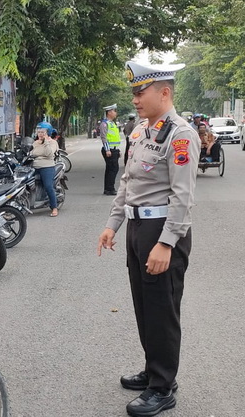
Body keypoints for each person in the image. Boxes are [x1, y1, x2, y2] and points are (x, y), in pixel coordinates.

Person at [97, 61, 200, 417]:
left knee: (162, 310)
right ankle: (153, 367)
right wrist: (113, 223)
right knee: (144, 306)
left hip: (162, 232)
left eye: (141, 92)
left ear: (165, 92)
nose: (135, 99)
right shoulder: (142, 131)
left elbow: (183, 197)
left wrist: (167, 243)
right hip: (138, 229)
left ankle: (163, 387)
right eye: (134, 93)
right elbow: (128, 182)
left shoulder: (181, 135)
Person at [32, 122, 59, 217]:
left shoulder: (53, 143)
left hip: (47, 167)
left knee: (48, 186)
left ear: (48, 132)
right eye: (39, 132)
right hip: (35, 166)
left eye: (43, 132)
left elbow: (49, 153)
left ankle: (54, 207)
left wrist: (46, 142)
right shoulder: (35, 143)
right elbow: (33, 153)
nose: (40, 134)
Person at [100, 104, 122, 195]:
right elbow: (104, 137)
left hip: (114, 149)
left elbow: (115, 138)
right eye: (114, 111)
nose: (115, 113)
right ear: (109, 112)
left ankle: (108, 188)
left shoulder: (112, 123)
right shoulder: (104, 123)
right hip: (109, 150)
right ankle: (110, 189)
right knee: (113, 169)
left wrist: (118, 149)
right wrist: (107, 149)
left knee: (111, 169)